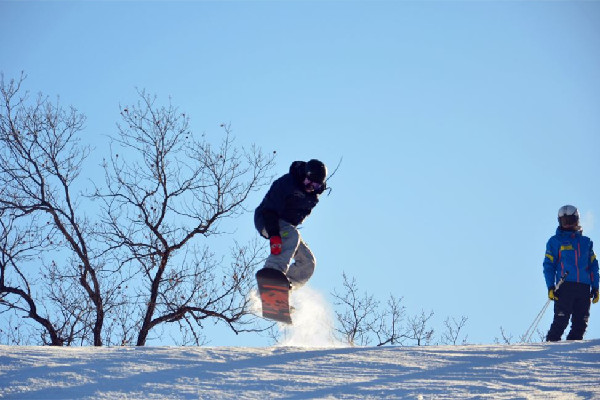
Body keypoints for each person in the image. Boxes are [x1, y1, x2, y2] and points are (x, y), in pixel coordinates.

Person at [254, 159, 327, 288]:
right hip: (267, 219)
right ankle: (272, 274)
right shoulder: (287, 183)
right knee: (293, 235)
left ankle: (284, 290)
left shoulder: (312, 198)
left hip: (286, 227)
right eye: (308, 182)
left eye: (315, 185)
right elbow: (269, 210)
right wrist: (274, 234)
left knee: (308, 262)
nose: (310, 187)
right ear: (304, 175)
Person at [543, 205, 599, 341]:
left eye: (570, 220)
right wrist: (550, 286)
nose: (567, 224)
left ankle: (570, 353)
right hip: (565, 286)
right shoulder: (555, 241)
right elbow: (548, 265)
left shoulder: (586, 242)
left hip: (584, 287)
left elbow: (594, 266)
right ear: (560, 222)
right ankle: (549, 349)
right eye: (564, 221)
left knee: (581, 324)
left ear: (577, 220)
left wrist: (596, 287)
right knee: (561, 321)